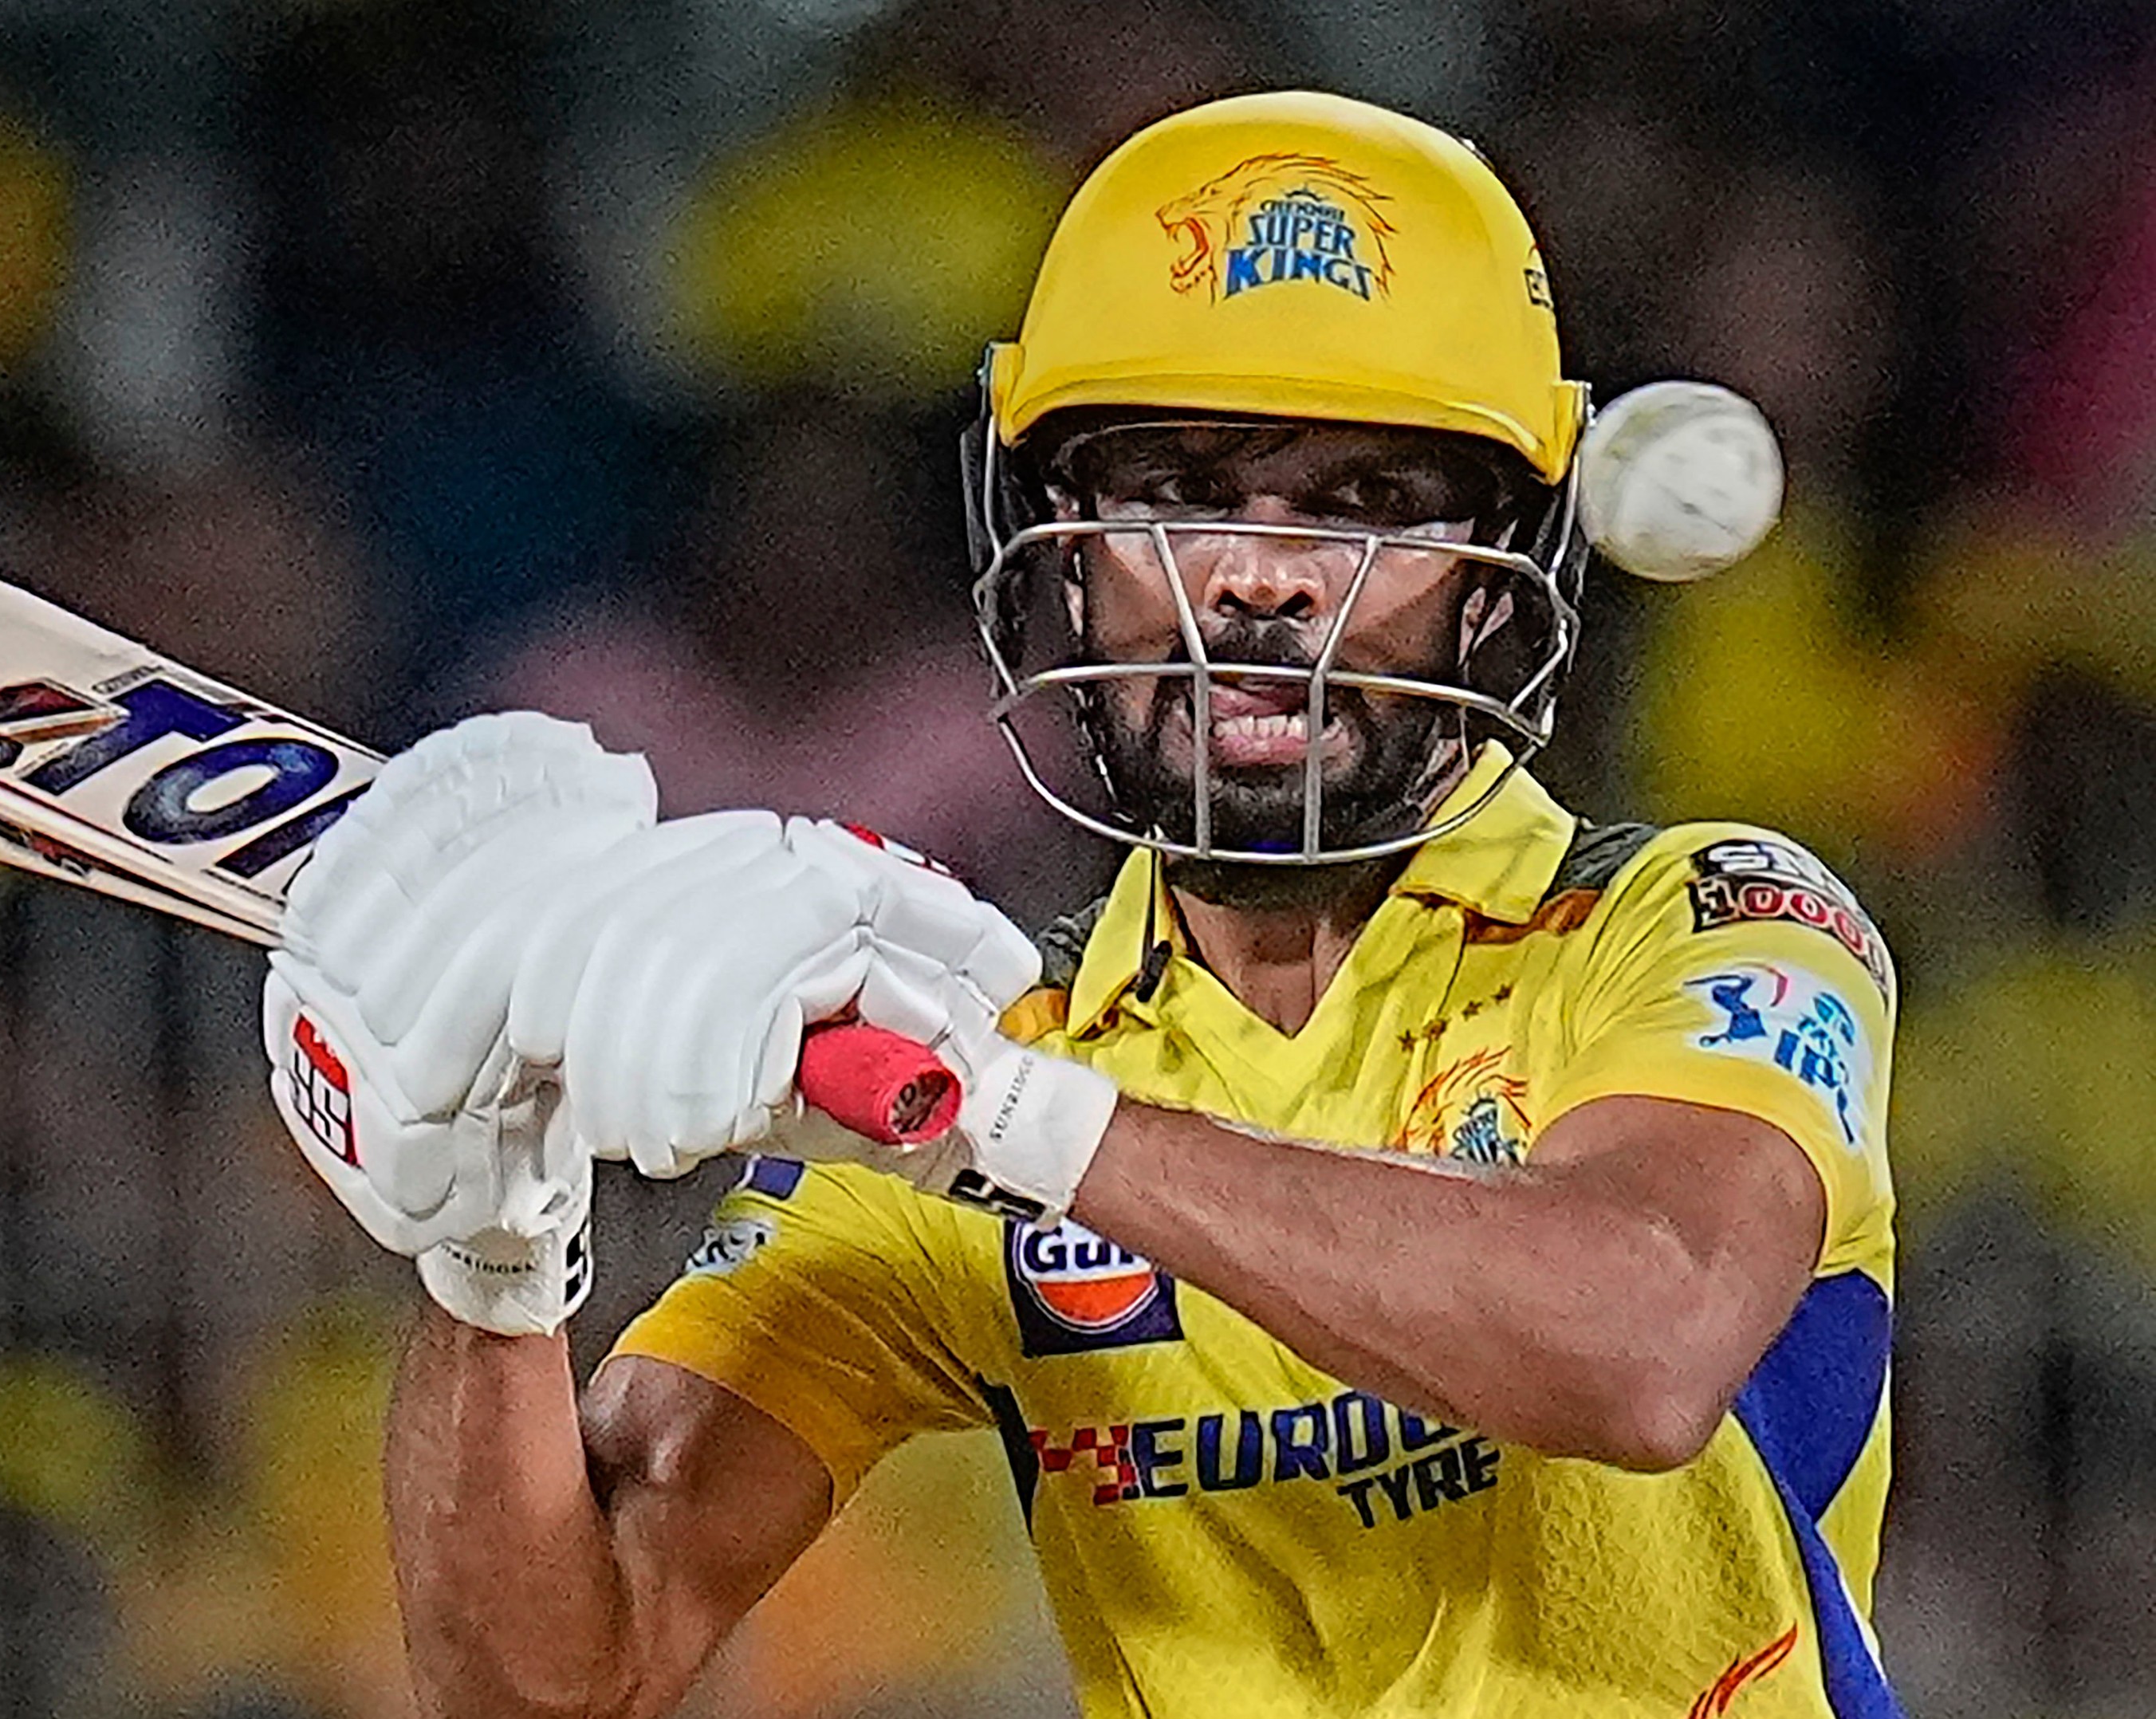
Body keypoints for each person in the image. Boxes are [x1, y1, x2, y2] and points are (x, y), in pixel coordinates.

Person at [257, 92, 1901, 1717]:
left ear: (1495, 576)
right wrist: (489, 1244)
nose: (1257, 578)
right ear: (1054, 557)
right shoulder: (963, 1068)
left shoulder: (1701, 922)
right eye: (1174, 492)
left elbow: (1642, 1339)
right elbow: (559, 1675)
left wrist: (1005, 1118)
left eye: (1358, 508)